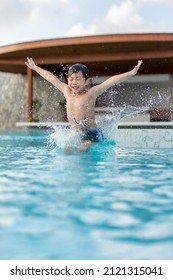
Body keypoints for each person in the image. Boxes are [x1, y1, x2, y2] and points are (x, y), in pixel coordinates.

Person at [25, 58, 143, 152]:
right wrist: (35, 67)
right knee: (65, 149)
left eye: (78, 79)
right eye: (71, 79)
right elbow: (51, 78)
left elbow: (110, 81)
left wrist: (131, 73)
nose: (74, 82)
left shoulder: (91, 93)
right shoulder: (66, 91)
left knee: (82, 150)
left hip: (91, 134)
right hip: (77, 133)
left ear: (86, 81)